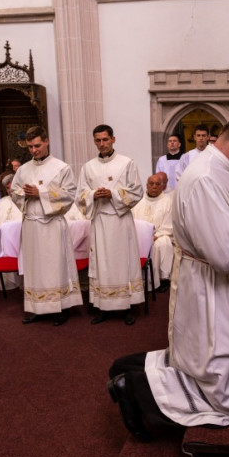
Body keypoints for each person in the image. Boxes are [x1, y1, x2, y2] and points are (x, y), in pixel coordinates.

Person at [107, 116, 229, 440]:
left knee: (202, 355)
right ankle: (136, 388)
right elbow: (228, 254)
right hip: (212, 286)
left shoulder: (219, 171)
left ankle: (131, 370)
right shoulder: (206, 177)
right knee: (221, 378)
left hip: (206, 280)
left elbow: (225, 229)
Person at [10, 126, 82, 326]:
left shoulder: (61, 168)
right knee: (34, 267)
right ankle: (37, 307)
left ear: (46, 141)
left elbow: (70, 194)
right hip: (31, 225)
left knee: (54, 266)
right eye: (30, 147)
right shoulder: (23, 169)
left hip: (51, 224)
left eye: (37, 145)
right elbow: (14, 192)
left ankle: (61, 307)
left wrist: (40, 193)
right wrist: (24, 194)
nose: (34, 150)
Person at [77, 124, 145, 325]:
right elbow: (79, 195)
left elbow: (137, 191)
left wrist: (113, 194)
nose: (102, 144)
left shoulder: (127, 163)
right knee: (102, 264)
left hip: (120, 220)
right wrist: (92, 195)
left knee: (123, 263)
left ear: (113, 139)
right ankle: (103, 306)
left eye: (105, 139)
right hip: (100, 220)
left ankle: (127, 306)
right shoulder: (88, 167)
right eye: (98, 140)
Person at [131, 173, 174, 293]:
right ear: (147, 185)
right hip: (140, 235)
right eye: (151, 184)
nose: (154, 186)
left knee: (163, 243)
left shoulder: (168, 202)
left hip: (159, 235)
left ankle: (162, 279)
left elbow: (168, 225)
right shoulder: (138, 201)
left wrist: (156, 236)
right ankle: (138, 280)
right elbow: (132, 220)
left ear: (162, 186)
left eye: (158, 184)